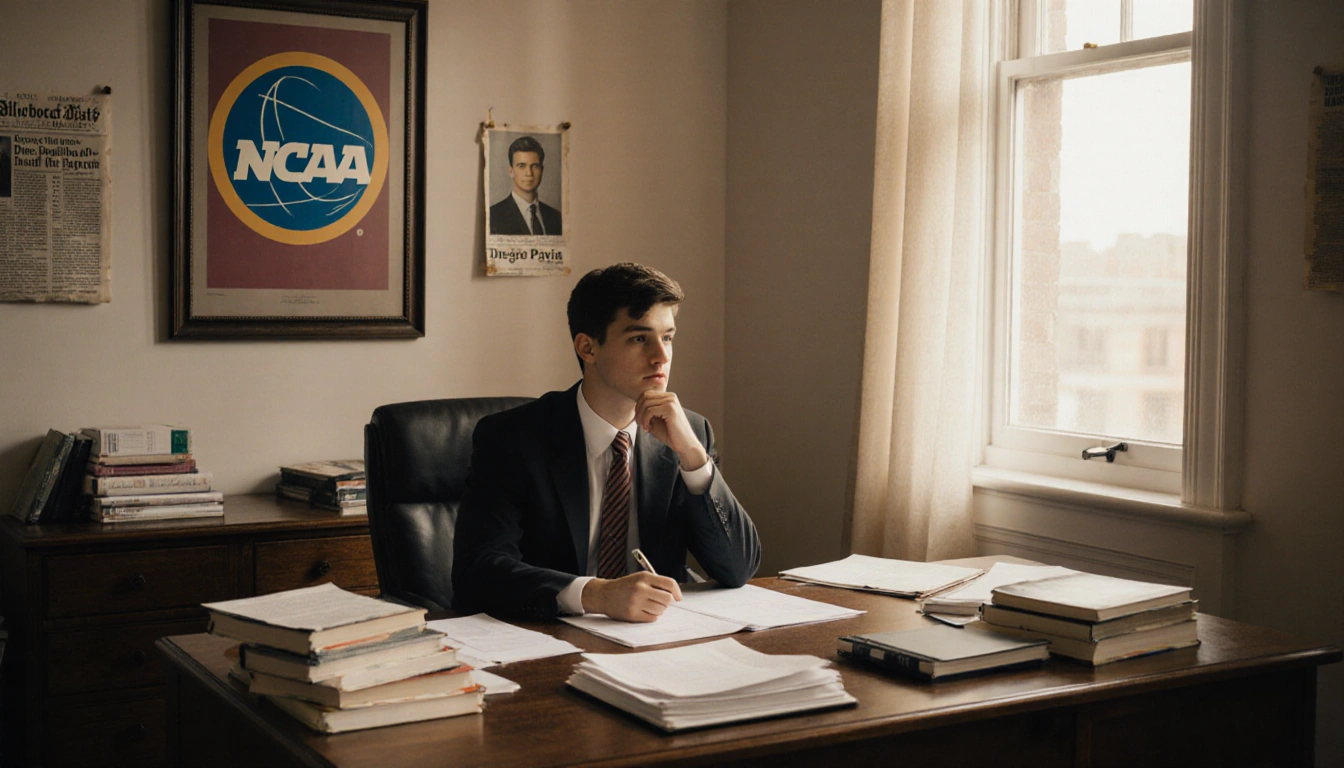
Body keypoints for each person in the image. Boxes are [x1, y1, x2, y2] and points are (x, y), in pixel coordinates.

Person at [453, 263, 760, 622]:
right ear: (587, 348)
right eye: (639, 338)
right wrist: (595, 594)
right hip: (548, 638)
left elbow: (737, 570)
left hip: (657, 643)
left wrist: (693, 457)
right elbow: (479, 570)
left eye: (668, 337)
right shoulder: (512, 438)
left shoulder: (688, 433)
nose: (661, 356)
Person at [489, 135, 563, 236]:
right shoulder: (493, 216)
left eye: (535, 166)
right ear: (511, 171)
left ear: (542, 170)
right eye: (522, 166)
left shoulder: (556, 217)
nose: (529, 173)